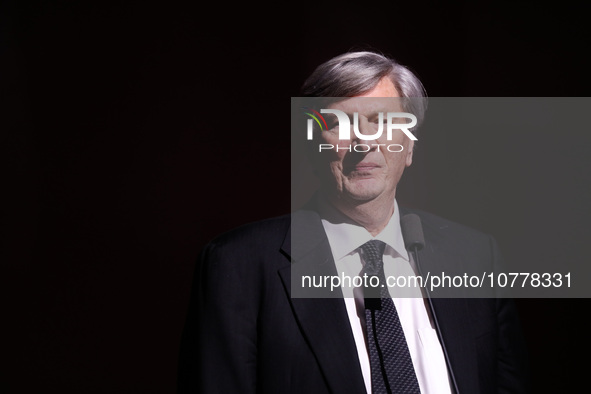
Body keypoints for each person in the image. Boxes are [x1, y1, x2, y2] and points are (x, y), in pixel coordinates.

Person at [177, 51, 529, 393]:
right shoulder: (238, 265)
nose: (364, 140)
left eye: (383, 121)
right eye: (339, 123)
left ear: (409, 147)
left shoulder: (474, 255)